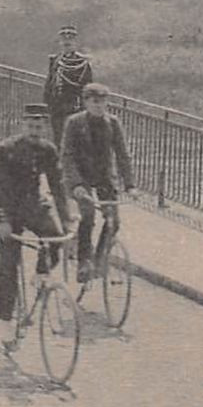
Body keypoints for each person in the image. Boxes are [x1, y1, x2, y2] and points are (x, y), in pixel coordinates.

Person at [0, 104, 69, 351]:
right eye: (31, 126)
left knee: (55, 238)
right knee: (9, 264)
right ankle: (4, 320)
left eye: (40, 126)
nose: (35, 131)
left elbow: (57, 185)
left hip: (32, 204)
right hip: (7, 209)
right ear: (23, 125)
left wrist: (67, 218)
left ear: (45, 127)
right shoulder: (7, 150)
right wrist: (1, 219)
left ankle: (41, 274)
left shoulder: (48, 150)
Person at [60, 82, 135, 283]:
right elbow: (67, 156)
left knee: (113, 221)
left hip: (103, 178)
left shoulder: (113, 123)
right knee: (88, 215)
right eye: (94, 102)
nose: (99, 107)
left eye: (102, 103)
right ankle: (84, 261)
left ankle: (100, 258)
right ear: (86, 102)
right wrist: (75, 185)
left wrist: (130, 185)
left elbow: (122, 155)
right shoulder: (74, 123)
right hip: (80, 178)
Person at [43, 24, 92, 145]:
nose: (66, 42)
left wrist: (84, 109)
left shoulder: (82, 64)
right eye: (64, 40)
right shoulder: (55, 60)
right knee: (57, 139)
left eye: (70, 40)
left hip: (73, 108)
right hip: (56, 107)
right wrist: (46, 104)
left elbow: (87, 89)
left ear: (75, 43)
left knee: (71, 140)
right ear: (60, 42)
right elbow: (49, 84)